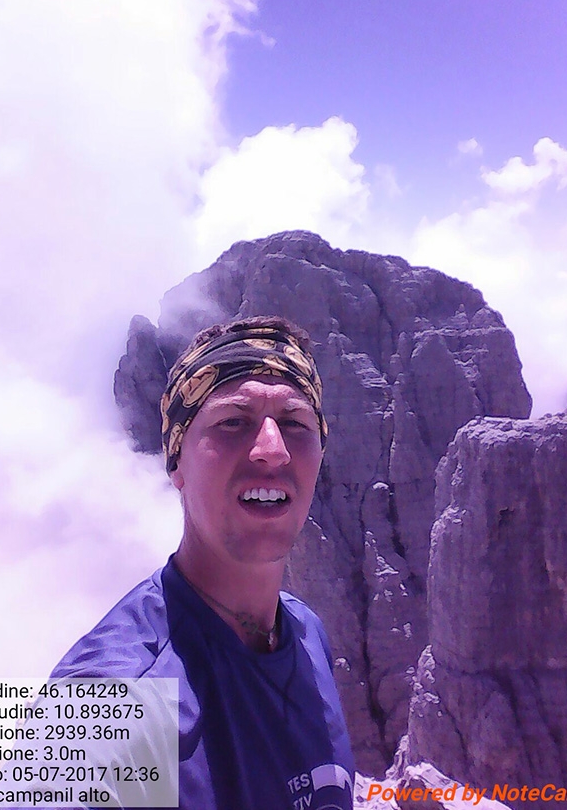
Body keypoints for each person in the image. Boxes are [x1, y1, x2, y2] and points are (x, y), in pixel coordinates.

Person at [48, 316, 355, 809]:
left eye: (296, 423)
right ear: (176, 462)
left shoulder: (305, 631)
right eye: (233, 422)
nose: (272, 451)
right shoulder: (125, 698)